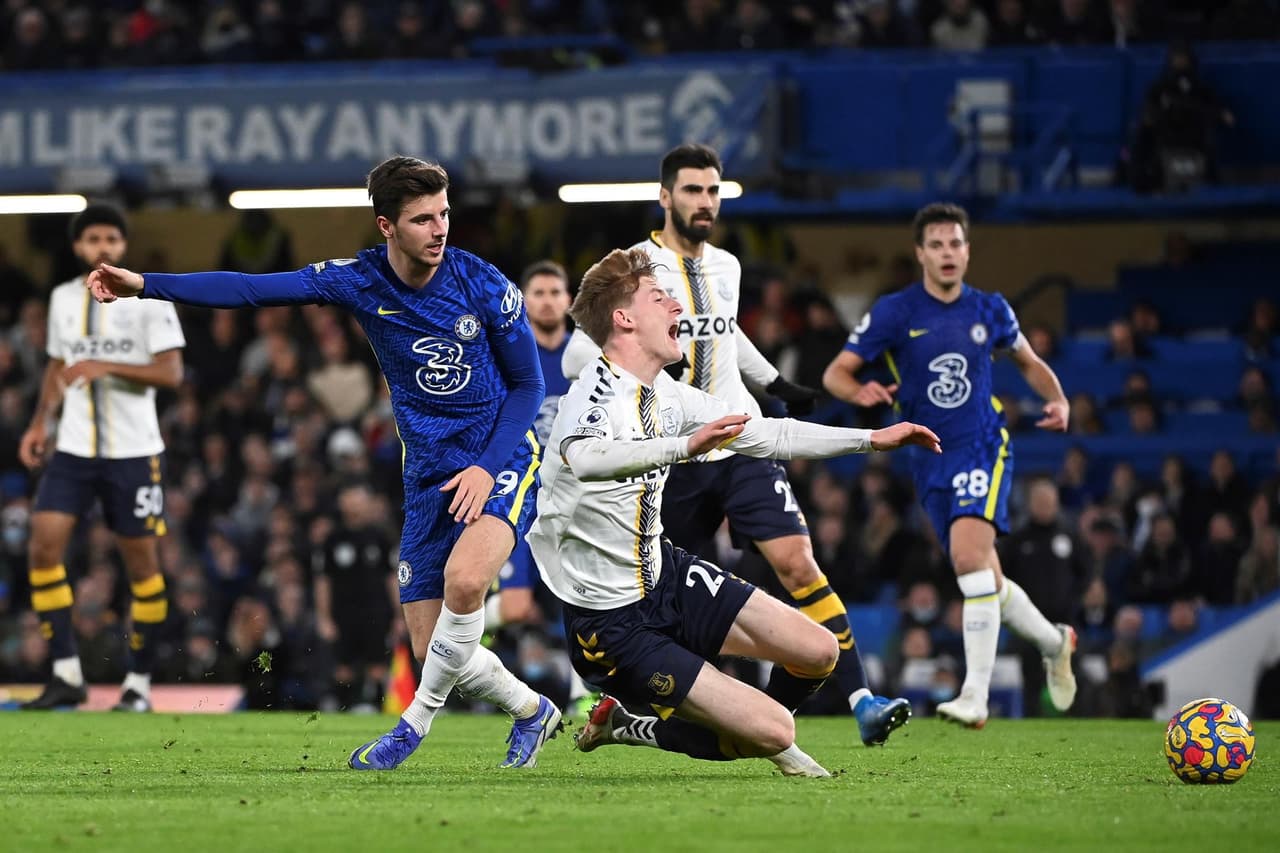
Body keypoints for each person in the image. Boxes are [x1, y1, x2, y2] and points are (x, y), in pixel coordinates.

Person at [88, 156, 558, 771]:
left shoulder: (485, 285)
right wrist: (147, 284)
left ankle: (411, 727)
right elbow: (253, 290)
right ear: (386, 226)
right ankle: (532, 710)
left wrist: (486, 465)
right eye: (422, 219)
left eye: (444, 213)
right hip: (427, 476)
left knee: (465, 585)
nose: (440, 228)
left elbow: (526, 386)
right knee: (433, 647)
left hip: (500, 459)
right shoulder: (359, 280)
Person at [530, 247, 940, 775]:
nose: (679, 309)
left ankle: (667, 726)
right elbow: (586, 459)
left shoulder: (667, 394)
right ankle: (727, 731)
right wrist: (684, 448)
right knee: (777, 731)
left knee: (819, 651)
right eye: (660, 298)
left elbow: (769, 432)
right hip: (610, 624)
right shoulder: (590, 397)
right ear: (623, 318)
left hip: (665, 574)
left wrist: (872, 440)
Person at [562, 143, 912, 746]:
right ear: (665, 196)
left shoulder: (726, 266)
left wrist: (773, 382)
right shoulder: (636, 271)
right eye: (693, 190)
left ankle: (860, 699)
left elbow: (727, 331)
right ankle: (687, 721)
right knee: (674, 610)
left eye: (714, 191)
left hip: (737, 437)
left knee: (797, 560)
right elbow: (587, 346)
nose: (706, 202)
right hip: (673, 453)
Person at [822, 202, 1076, 728]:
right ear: (920, 253)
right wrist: (861, 390)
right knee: (988, 579)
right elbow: (836, 375)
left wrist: (1059, 399)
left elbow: (1028, 362)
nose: (947, 254)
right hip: (927, 456)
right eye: (936, 245)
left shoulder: (991, 309)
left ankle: (975, 696)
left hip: (983, 442)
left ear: (967, 250)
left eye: (955, 244)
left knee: (966, 559)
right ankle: (1056, 642)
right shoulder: (895, 312)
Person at [18, 203, 185, 712]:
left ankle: (137, 684)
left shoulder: (149, 296)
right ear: (77, 247)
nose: (103, 247)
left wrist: (103, 365)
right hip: (72, 447)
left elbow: (171, 373)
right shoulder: (63, 299)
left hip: (134, 452)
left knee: (141, 566)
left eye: (112, 238)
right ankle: (66, 673)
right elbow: (58, 367)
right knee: (43, 549)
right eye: (93, 239)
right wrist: (39, 423)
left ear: (122, 245)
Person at [487, 259, 596, 716]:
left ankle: (581, 693)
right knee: (514, 608)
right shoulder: (510, 353)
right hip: (522, 491)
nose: (548, 300)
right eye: (539, 293)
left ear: (569, 300)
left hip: (574, 494)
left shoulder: (588, 357)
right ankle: (462, 633)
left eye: (556, 292)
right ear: (523, 299)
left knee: (583, 597)